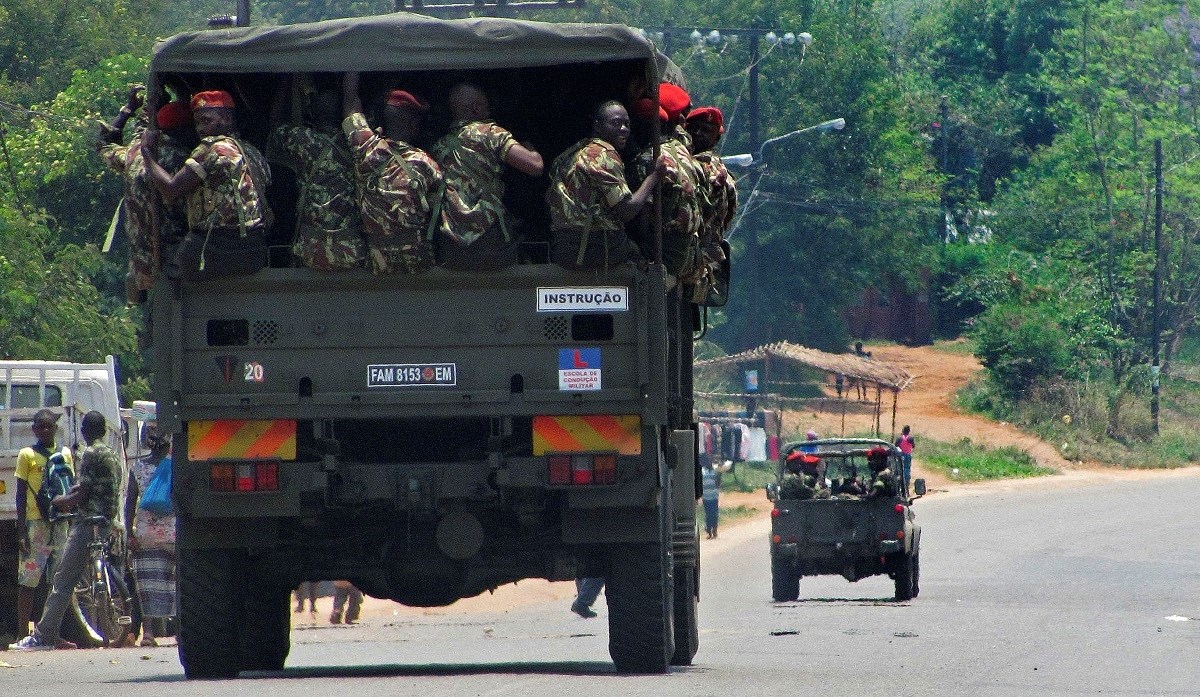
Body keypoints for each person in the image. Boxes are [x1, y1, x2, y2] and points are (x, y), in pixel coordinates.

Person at [10, 411, 119, 651]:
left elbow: (83, 492)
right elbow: (87, 485)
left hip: (86, 521)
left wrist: (60, 501)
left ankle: (44, 634)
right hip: (105, 519)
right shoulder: (111, 453)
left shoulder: (89, 453)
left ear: (84, 431)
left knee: (62, 580)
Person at [142, 89, 273, 280]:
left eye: (206, 121)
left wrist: (146, 152)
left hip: (216, 250)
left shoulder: (211, 148)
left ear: (227, 120)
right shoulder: (252, 152)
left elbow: (170, 190)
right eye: (197, 123)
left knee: (168, 261)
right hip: (254, 251)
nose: (200, 129)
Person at [97, 85, 194, 303]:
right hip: (176, 264)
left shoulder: (135, 154)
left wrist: (128, 109)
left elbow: (104, 145)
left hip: (143, 269)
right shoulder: (187, 162)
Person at [431, 82, 543, 269]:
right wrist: (531, 148)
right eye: (486, 106)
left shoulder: (438, 147)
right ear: (476, 108)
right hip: (489, 241)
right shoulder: (490, 134)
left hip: (451, 247)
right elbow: (535, 166)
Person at [342, 72, 443, 274]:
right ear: (414, 124)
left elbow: (350, 102)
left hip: (376, 262)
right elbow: (436, 212)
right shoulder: (427, 164)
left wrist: (352, 59)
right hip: (417, 262)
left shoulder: (365, 148)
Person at [546, 100, 666, 270]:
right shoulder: (604, 154)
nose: (624, 129)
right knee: (641, 253)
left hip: (562, 247)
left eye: (627, 124)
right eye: (616, 123)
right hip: (594, 248)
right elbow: (627, 211)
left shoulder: (572, 152)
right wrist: (654, 176)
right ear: (598, 126)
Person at [268, 77, 365, 270]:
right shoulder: (356, 142)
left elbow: (274, 125)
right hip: (351, 246)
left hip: (311, 246)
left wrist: (285, 82)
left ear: (312, 114)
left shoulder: (302, 140)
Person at [628, 83, 704, 277]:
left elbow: (644, 214)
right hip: (686, 251)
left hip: (663, 253)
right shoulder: (682, 150)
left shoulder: (648, 160)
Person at [12, 409, 74, 639]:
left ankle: (51, 633)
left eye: (49, 426)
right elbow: (20, 494)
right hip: (35, 523)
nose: (45, 430)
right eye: (41, 427)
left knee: (56, 582)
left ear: (56, 428)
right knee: (28, 581)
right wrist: (21, 530)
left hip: (60, 522)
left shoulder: (65, 453)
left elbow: (70, 485)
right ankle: (21, 634)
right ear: (34, 429)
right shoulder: (26, 454)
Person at [125, 423, 176, 647]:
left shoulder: (137, 468)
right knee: (176, 583)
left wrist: (129, 534)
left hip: (145, 533)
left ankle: (148, 633)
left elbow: (129, 504)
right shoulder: (176, 467)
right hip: (173, 532)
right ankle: (181, 633)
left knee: (147, 585)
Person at [685, 105, 737, 298]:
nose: (698, 134)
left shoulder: (706, 170)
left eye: (706, 131)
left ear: (716, 139)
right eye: (694, 128)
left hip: (698, 258)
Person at [701, 460, 721, 539]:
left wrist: (719, 473)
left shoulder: (715, 472)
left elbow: (718, 483)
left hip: (714, 497)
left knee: (714, 514)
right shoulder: (702, 471)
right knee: (708, 515)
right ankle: (709, 531)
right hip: (706, 497)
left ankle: (714, 530)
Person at [895, 425, 915, 493]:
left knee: (899, 468)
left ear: (903, 430)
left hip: (900, 455)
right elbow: (913, 446)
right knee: (907, 469)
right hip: (907, 455)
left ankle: (900, 483)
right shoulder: (910, 438)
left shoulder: (899, 438)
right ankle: (906, 485)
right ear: (909, 431)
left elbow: (896, 445)